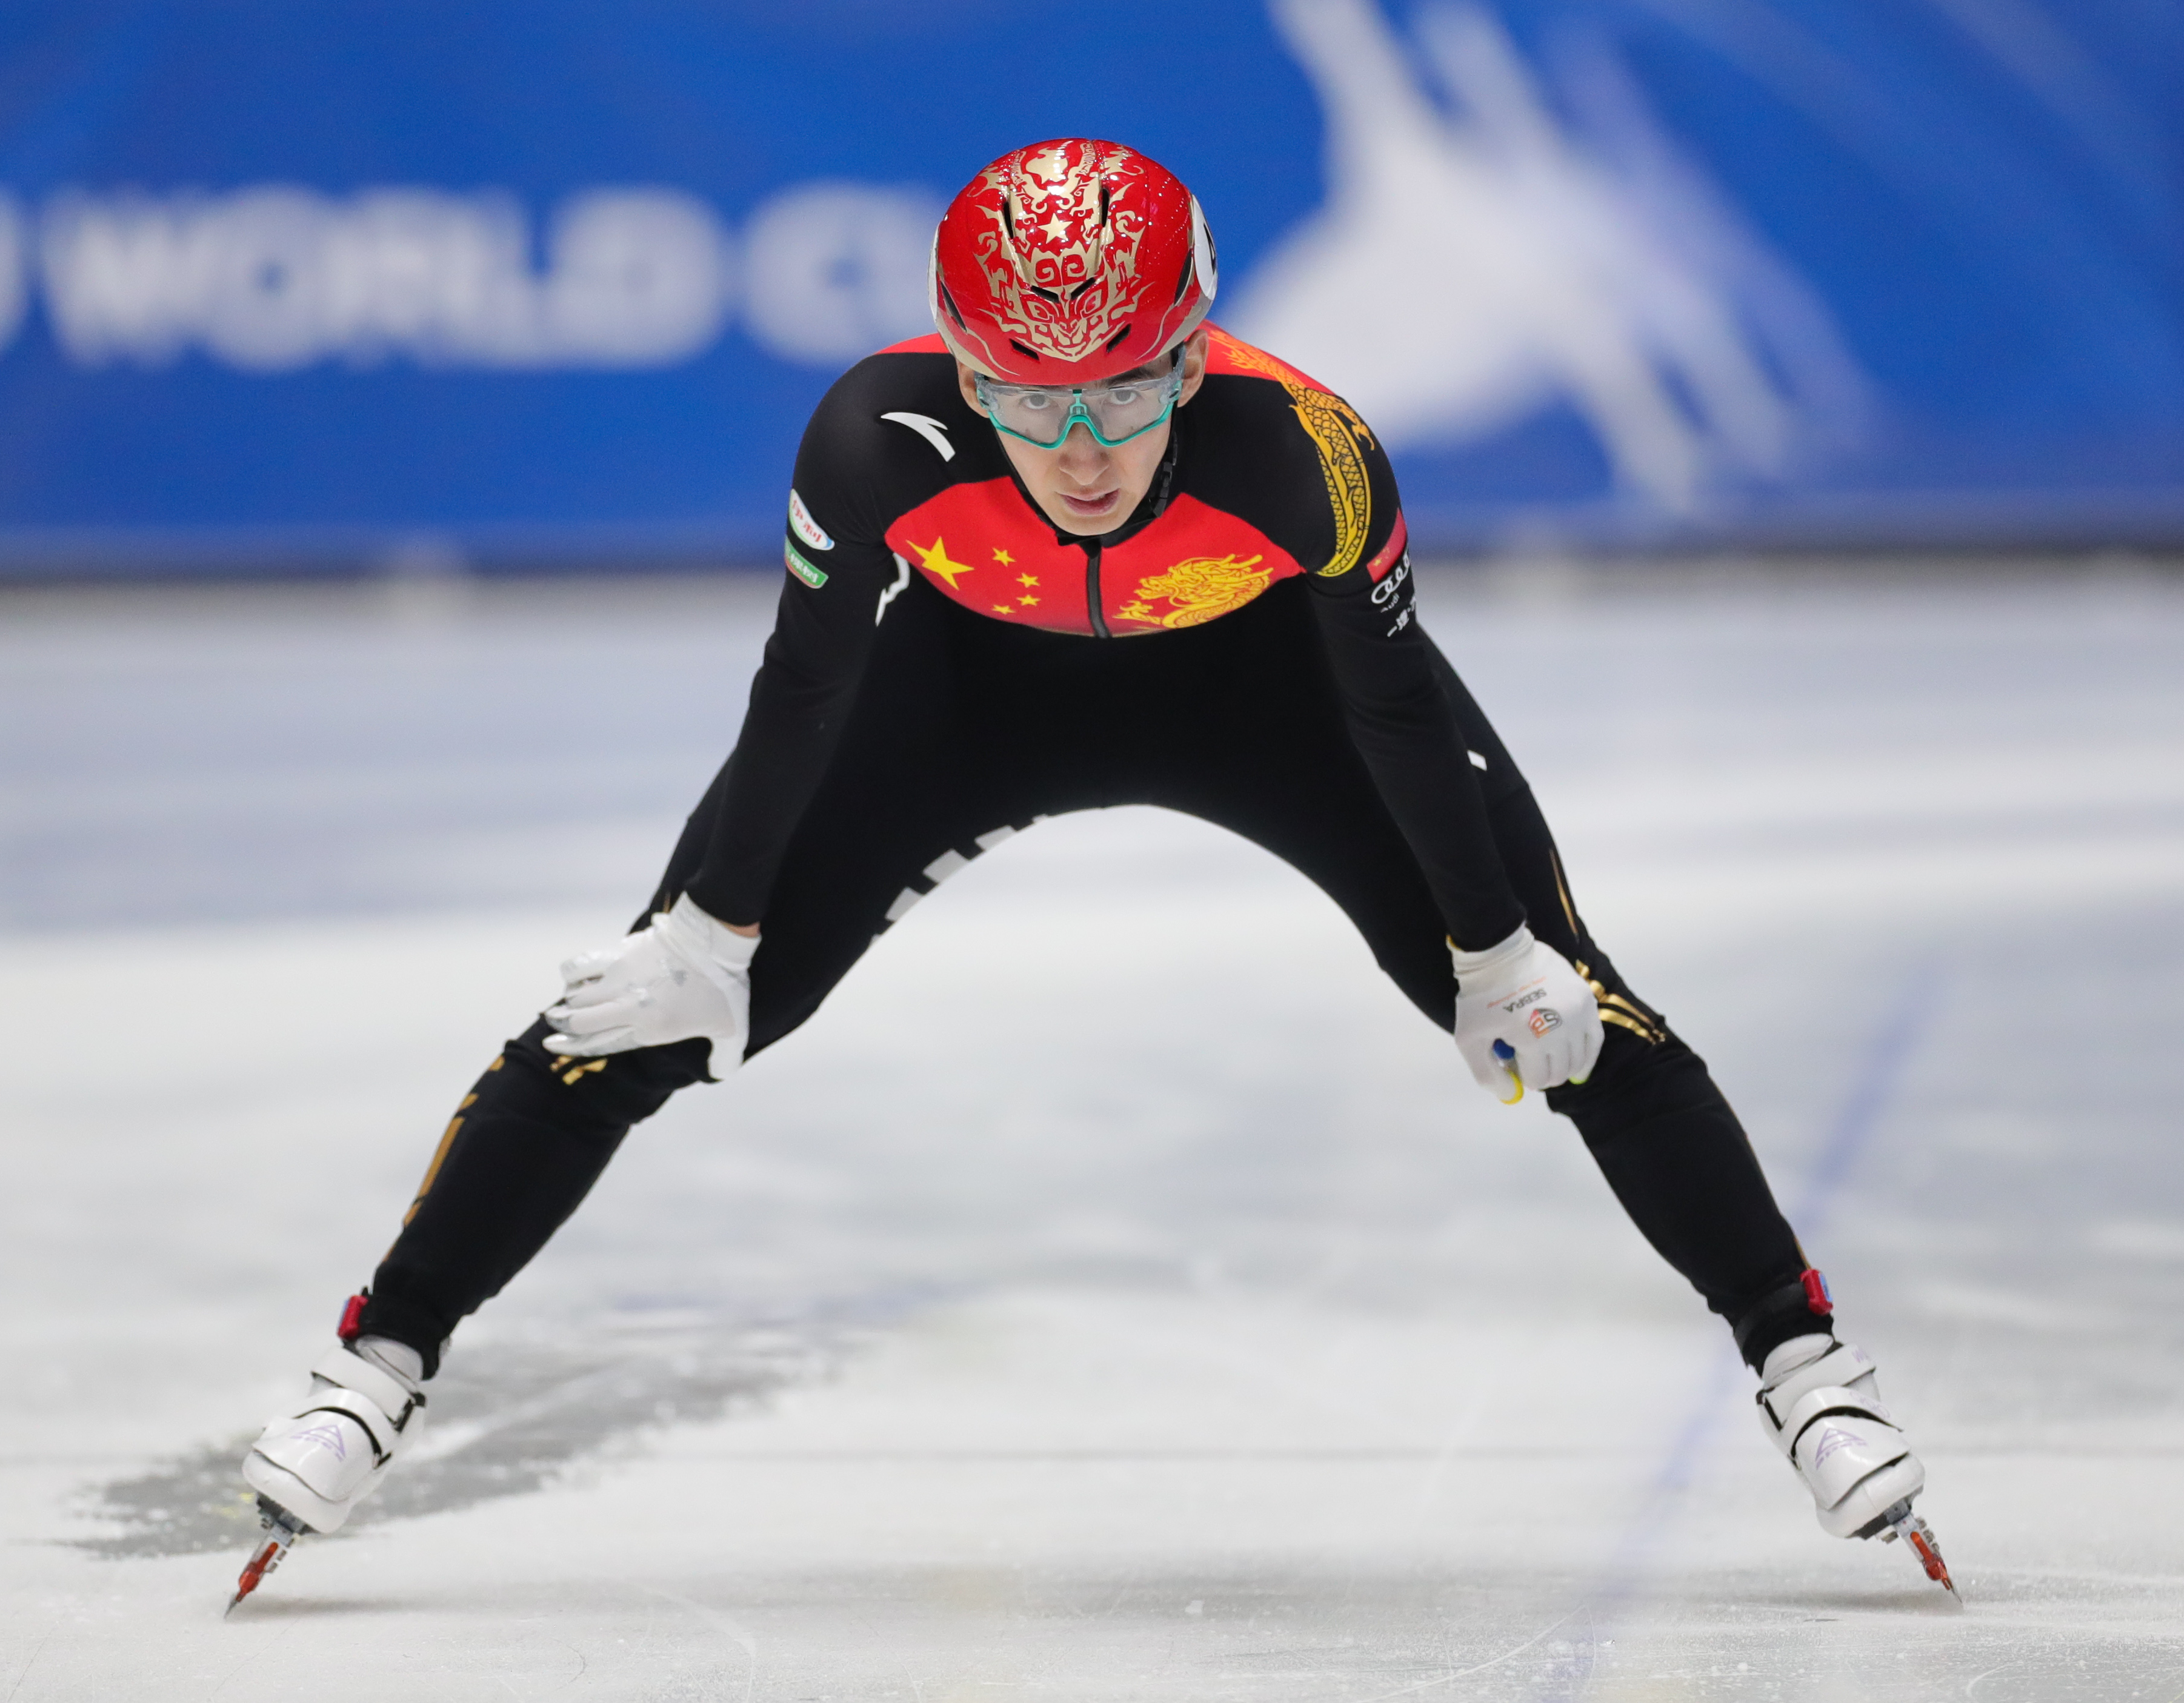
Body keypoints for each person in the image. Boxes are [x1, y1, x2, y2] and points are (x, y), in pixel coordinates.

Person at [227, 138, 1949, 1607]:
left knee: (1576, 1016)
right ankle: (376, 1360)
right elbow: (805, 691)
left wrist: (1493, 947)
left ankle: (1803, 1363)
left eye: (1124, 390)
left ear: (1196, 356)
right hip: (963, 697)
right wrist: (708, 926)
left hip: (1268, 692)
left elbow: (1392, 704)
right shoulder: (870, 438)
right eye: (1026, 397)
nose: (1077, 446)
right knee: (635, 1015)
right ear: (956, 370)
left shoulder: (1311, 453)